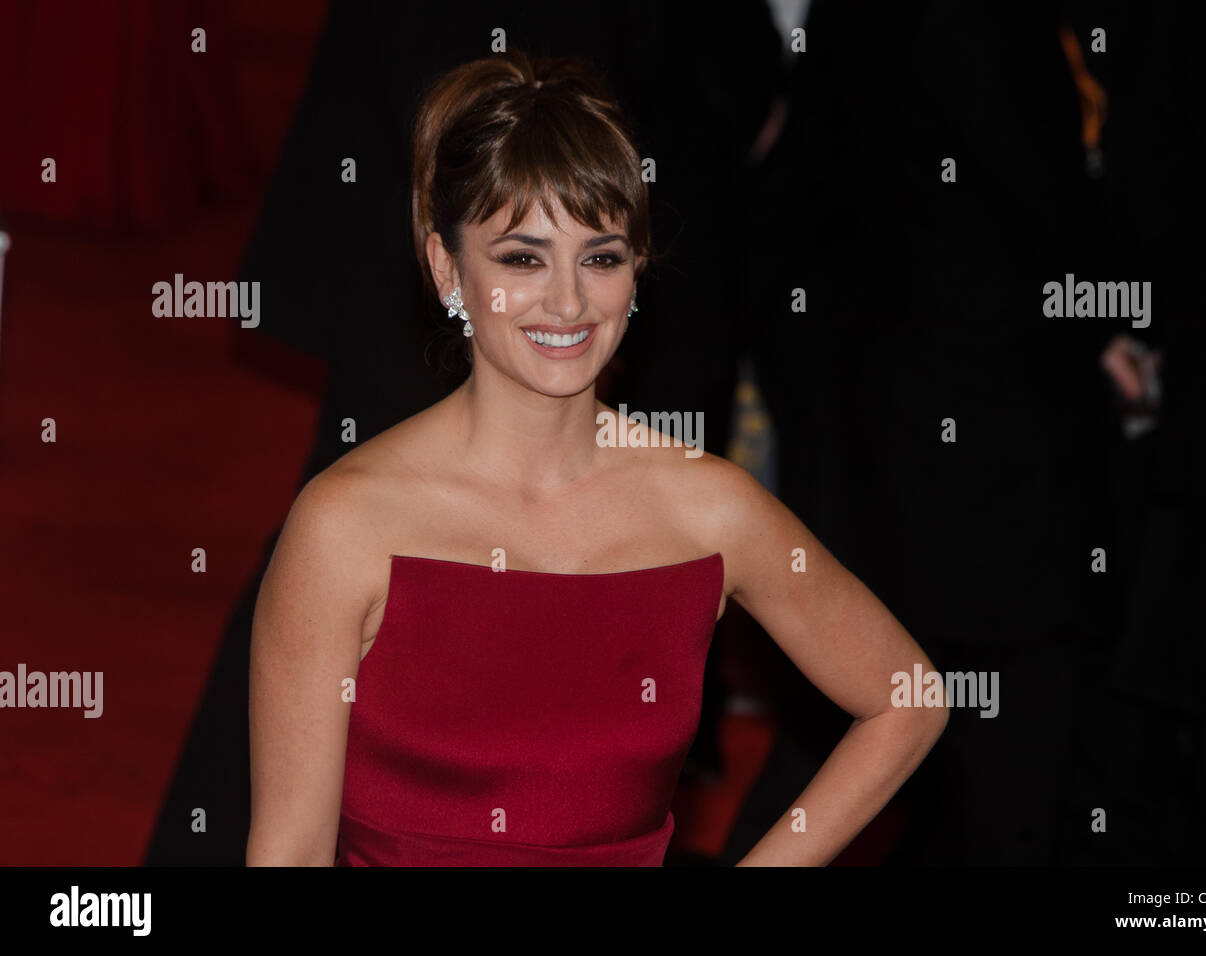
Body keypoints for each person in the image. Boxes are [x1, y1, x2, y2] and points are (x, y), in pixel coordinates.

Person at [245, 48, 946, 867]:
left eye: (601, 256)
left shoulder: (707, 508)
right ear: (447, 268)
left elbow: (907, 697)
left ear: (636, 270)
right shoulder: (347, 526)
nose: (569, 301)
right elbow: (289, 849)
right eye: (522, 257)